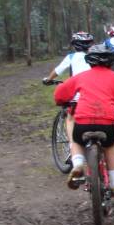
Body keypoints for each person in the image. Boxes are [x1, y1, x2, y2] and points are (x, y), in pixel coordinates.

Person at [53, 44, 114, 197]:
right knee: (110, 145)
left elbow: (59, 95)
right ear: (111, 62)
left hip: (83, 122)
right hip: (106, 124)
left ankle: (78, 164)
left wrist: (62, 101)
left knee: (77, 140)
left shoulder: (81, 77)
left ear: (89, 61)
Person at [42, 32, 95, 164]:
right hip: (94, 95)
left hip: (77, 97)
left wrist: (48, 79)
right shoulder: (95, 57)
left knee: (70, 118)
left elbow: (58, 70)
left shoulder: (71, 57)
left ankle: (73, 148)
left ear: (74, 45)